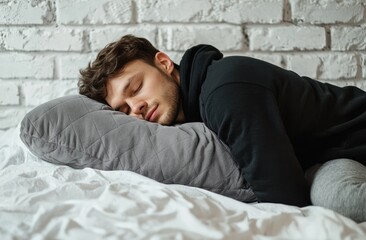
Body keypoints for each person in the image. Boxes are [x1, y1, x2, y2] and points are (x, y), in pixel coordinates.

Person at [78, 35, 366, 210]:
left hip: (356, 139)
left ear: (164, 63)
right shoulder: (193, 111)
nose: (136, 108)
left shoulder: (224, 90)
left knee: (339, 200)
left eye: (136, 87)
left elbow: (286, 200)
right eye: (123, 109)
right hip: (330, 159)